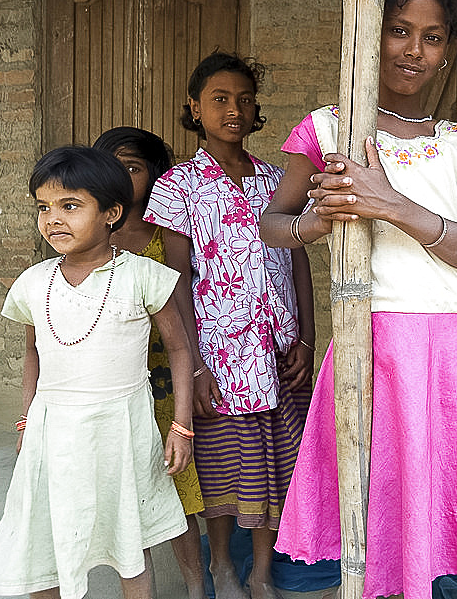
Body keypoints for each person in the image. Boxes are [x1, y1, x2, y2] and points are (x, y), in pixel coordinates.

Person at [260, 0, 457, 599]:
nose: (413, 50)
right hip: (371, 341)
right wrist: (315, 224)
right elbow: (272, 224)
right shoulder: (329, 129)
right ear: (369, 34)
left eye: (432, 37)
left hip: (451, 348)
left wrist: (392, 203)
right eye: (399, 30)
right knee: (382, 491)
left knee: (448, 491)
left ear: (445, 48)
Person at [0, 146, 194, 599]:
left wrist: (181, 426)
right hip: (52, 428)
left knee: (128, 538)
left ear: (112, 212)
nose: (54, 219)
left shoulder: (143, 276)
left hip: (122, 428)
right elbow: (33, 353)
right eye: (44, 207)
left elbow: (178, 347)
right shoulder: (35, 283)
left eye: (70, 206)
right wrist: (25, 418)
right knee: (42, 532)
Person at [144, 50, 316, 599]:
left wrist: (306, 338)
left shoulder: (275, 180)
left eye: (245, 100)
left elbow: (298, 262)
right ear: (194, 107)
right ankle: (221, 565)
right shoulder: (177, 185)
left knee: (276, 468)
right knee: (221, 468)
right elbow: (174, 280)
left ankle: (261, 572)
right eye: (220, 99)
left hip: (278, 348)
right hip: (218, 356)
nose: (234, 110)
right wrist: (191, 366)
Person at [93, 127, 207, 599]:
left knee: (181, 491)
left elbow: (187, 303)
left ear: (155, 175)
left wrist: (198, 367)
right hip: (114, 380)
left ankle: (198, 586)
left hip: (165, 378)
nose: (122, 176)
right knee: (121, 490)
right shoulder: (91, 236)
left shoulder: (165, 234)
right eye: (113, 166)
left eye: (134, 167)